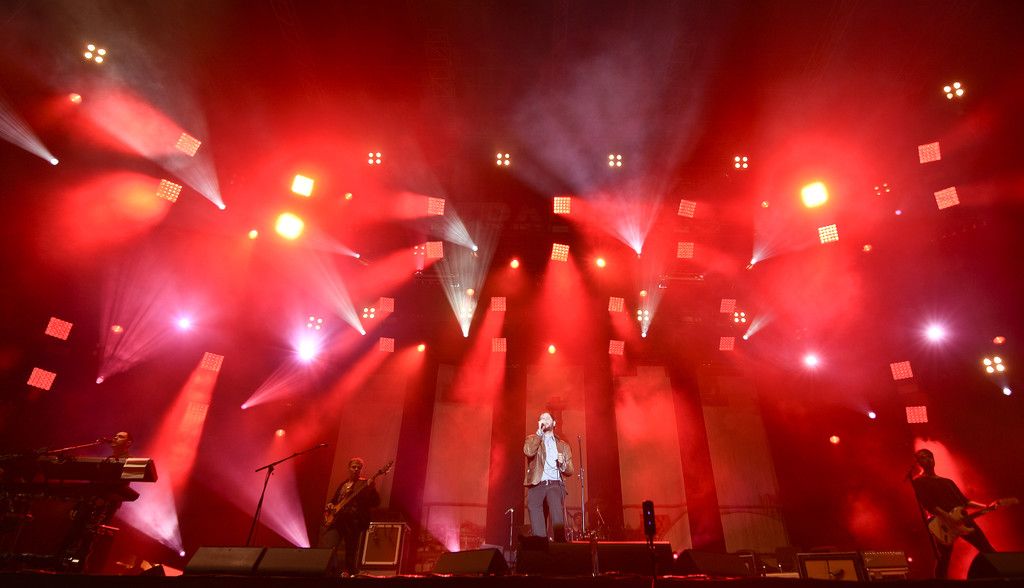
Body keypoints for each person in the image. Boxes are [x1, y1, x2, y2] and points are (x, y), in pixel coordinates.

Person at [910, 448, 998, 579]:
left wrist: (987, 507)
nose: (928, 459)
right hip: (941, 523)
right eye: (923, 457)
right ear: (918, 462)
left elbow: (965, 502)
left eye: (930, 456)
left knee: (987, 548)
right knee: (944, 558)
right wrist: (949, 518)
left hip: (961, 519)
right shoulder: (919, 481)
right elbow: (929, 505)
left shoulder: (948, 482)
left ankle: (1004, 577)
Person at [319, 458, 379, 576]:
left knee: (350, 552)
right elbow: (335, 500)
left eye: (359, 468)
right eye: (354, 467)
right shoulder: (343, 484)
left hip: (353, 522)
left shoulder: (364, 484)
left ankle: (349, 574)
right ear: (349, 468)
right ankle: (332, 572)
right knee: (329, 547)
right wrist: (330, 504)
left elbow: (376, 502)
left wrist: (372, 489)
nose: (356, 469)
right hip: (337, 520)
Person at [523, 412, 574, 541]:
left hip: (554, 483)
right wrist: (538, 435)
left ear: (554, 423)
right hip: (537, 483)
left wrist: (562, 464)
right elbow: (528, 451)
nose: (544, 420)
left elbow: (570, 470)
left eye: (547, 418)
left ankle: (560, 542)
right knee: (533, 506)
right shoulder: (532, 439)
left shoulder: (563, 445)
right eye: (541, 418)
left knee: (556, 508)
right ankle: (540, 542)